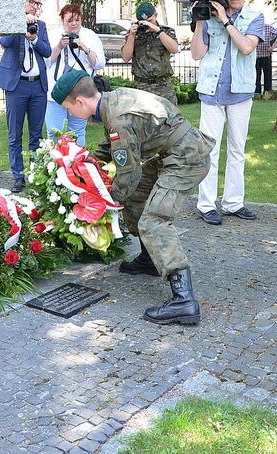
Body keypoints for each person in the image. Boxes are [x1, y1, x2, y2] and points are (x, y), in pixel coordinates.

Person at [51, 70, 214, 325]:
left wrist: (104, 203)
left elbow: (128, 174)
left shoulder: (118, 117)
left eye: (68, 109)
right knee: (137, 198)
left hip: (186, 158)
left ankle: (184, 300)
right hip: (169, 152)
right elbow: (116, 146)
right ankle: (150, 259)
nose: (70, 114)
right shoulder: (111, 102)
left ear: (80, 102)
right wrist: (89, 162)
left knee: (154, 220)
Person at [190, 0, 265, 225]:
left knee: (237, 149)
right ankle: (206, 204)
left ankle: (233, 203)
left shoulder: (255, 17)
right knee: (208, 150)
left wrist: (225, 20)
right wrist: (201, 17)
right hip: (211, 91)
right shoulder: (210, 17)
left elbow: (246, 47)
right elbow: (197, 53)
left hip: (240, 92)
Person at [0, 0, 52, 192]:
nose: (35, 6)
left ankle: (35, 174)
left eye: (38, 3)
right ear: (23, 2)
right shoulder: (12, 22)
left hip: (38, 86)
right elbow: (4, 41)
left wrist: (34, 38)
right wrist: (20, 24)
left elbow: (47, 51)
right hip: (17, 86)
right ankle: (18, 176)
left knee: (36, 134)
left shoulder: (41, 26)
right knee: (14, 134)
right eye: (31, 2)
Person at [44, 3, 105, 145]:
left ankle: (78, 164)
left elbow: (100, 64)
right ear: (62, 21)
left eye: (77, 20)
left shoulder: (90, 36)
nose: (74, 24)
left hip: (80, 94)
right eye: (69, 21)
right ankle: (55, 165)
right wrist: (59, 46)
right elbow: (46, 62)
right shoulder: (53, 35)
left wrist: (85, 48)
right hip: (55, 93)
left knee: (77, 132)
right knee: (54, 132)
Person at [121, 1, 180, 104]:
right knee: (142, 119)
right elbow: (126, 58)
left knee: (169, 118)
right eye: (144, 21)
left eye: (150, 20)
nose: (147, 24)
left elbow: (174, 49)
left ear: (156, 16)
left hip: (163, 85)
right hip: (141, 86)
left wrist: (157, 30)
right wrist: (131, 36)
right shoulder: (134, 34)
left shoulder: (166, 31)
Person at [254, 22, 277, 94]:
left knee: (267, 75)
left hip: (266, 54)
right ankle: (257, 92)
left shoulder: (268, 27)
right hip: (255, 55)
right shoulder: (253, 26)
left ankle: (267, 92)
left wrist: (272, 45)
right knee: (256, 75)